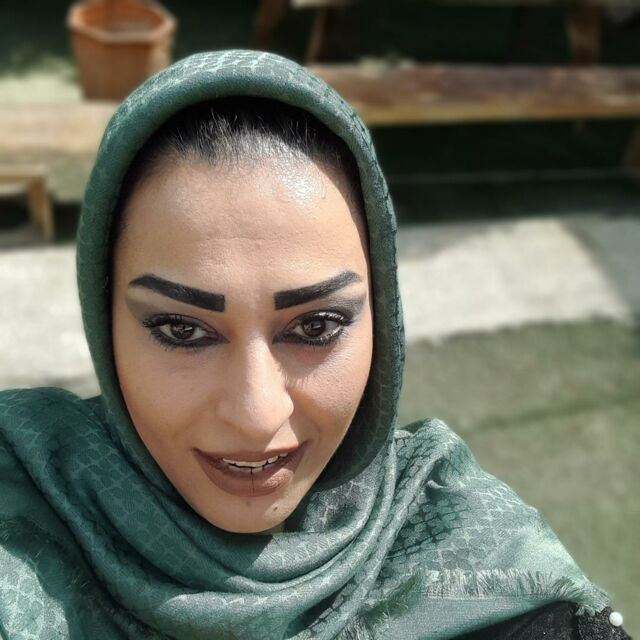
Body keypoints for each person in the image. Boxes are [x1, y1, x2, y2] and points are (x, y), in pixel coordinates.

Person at [0, 50, 631, 639]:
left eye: (316, 326)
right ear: (103, 317)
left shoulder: (474, 551)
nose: (257, 415)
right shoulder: (20, 511)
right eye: (182, 330)